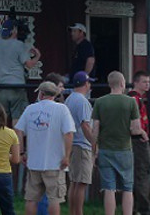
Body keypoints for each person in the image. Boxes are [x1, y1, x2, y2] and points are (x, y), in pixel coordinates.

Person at [15, 81, 75, 215]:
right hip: (55, 163)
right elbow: (69, 133)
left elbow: (18, 130)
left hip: (34, 162)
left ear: (41, 94)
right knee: (54, 199)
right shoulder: (62, 109)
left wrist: (22, 152)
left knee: (31, 199)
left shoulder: (30, 109)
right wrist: (66, 156)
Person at [92, 71, 143, 215]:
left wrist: (94, 149)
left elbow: (95, 129)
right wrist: (141, 132)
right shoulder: (131, 102)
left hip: (105, 149)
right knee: (127, 188)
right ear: (122, 84)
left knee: (109, 188)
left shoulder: (100, 102)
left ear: (109, 84)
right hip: (124, 149)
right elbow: (135, 129)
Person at [0, 18, 40, 125]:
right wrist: (37, 56)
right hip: (17, 85)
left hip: (1, 86)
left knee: (0, 118)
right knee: (17, 120)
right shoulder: (19, 45)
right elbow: (29, 65)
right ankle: (18, 142)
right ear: (14, 30)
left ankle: (1, 141)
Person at [65, 72, 96, 215]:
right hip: (82, 144)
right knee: (82, 183)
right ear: (86, 83)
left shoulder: (70, 99)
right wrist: (94, 142)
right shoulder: (83, 101)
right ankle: (78, 212)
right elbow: (85, 125)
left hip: (72, 144)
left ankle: (73, 212)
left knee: (74, 181)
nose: (90, 85)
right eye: (89, 82)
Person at [127, 70, 150, 215]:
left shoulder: (138, 98)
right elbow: (132, 123)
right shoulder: (133, 99)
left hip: (137, 139)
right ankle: (144, 210)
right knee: (142, 173)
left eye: (148, 82)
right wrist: (142, 133)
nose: (147, 85)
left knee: (139, 173)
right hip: (138, 140)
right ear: (136, 82)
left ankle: (135, 208)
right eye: (144, 82)